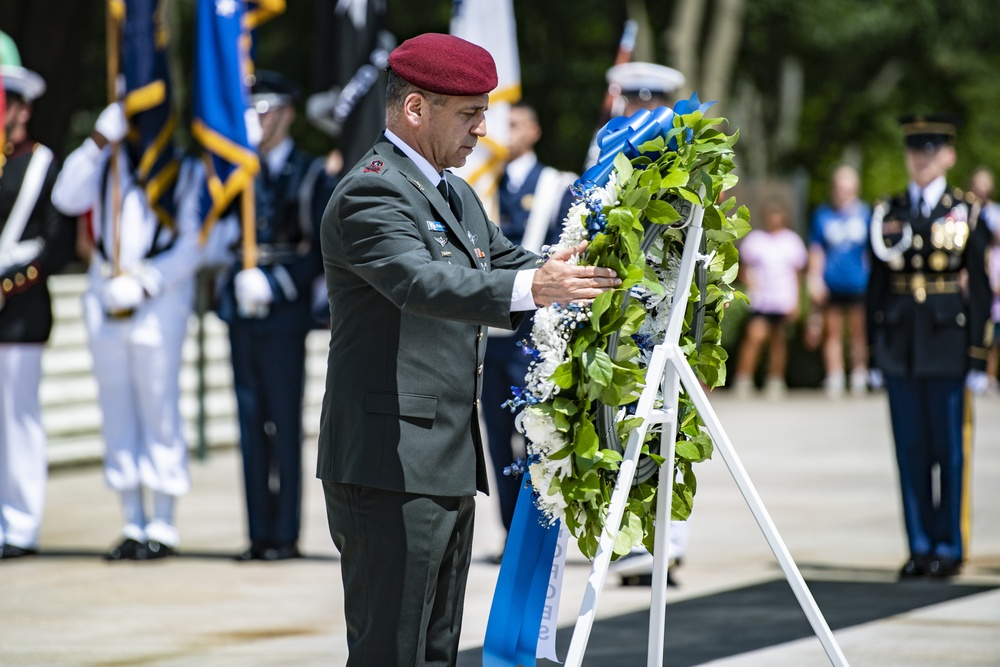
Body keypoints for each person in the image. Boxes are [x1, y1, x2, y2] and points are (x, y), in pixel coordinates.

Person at [317, 33, 620, 666]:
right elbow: (422, 283)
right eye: (470, 112)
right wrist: (536, 285)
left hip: (441, 456)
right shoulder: (372, 191)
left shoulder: (450, 190)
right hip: (389, 463)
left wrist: (571, 267)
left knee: (435, 651)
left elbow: (501, 261)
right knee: (390, 652)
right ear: (416, 109)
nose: (486, 128)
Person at [51, 100, 204, 562]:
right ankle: (132, 519)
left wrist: (145, 283)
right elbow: (64, 197)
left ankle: (163, 521)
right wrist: (97, 141)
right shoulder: (103, 165)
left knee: (158, 411)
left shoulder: (184, 171)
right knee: (116, 411)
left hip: (157, 305)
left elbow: (195, 241)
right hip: (104, 300)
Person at [215, 71, 335, 562]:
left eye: (265, 110)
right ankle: (256, 532)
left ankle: (284, 534)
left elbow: (322, 247)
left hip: (284, 310)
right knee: (248, 422)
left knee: (283, 422)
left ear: (285, 112)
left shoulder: (310, 173)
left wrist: (278, 282)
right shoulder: (236, 171)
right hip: (242, 308)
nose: (257, 121)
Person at [867, 114, 991, 579]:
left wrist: (979, 357)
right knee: (910, 450)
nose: (923, 156)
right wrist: (873, 352)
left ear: (949, 155)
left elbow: (979, 290)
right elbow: (876, 287)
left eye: (932, 148)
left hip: (947, 345)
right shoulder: (888, 211)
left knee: (949, 451)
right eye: (916, 148)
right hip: (900, 345)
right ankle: (919, 546)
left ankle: (949, 546)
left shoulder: (966, 212)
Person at [482, 101, 575, 539]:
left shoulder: (556, 186)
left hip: (535, 335)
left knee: (541, 433)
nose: (504, 132)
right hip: (491, 331)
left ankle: (539, 529)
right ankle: (509, 532)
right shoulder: (483, 185)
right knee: (498, 435)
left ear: (535, 131)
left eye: (514, 124)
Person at [0, 34, 76, 560]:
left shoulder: (43, 163)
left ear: (22, 106)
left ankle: (21, 524)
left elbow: (57, 243)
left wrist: (8, 284)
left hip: (20, 310)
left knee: (16, 418)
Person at [805, 164, 872, 397]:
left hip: (859, 282)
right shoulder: (823, 215)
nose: (842, 191)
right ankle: (835, 374)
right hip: (832, 281)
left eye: (847, 187)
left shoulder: (866, 213)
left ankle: (859, 374)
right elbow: (816, 249)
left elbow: (872, 251)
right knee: (831, 332)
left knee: (859, 332)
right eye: (839, 187)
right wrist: (814, 279)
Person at [732, 196, 808, 398]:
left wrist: (797, 301)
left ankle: (775, 379)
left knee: (779, 340)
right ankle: (744, 378)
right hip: (762, 300)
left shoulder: (792, 241)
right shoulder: (756, 240)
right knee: (755, 337)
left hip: (782, 300)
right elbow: (744, 267)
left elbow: (797, 275)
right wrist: (750, 283)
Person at [584, 61, 685, 170]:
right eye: (634, 104)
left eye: (648, 106)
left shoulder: (678, 142)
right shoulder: (609, 140)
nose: (639, 115)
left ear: (665, 106)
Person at [967, 167, 1000, 393]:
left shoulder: (995, 212)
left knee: (993, 333)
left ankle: (988, 375)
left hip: (994, 270)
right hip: (976, 276)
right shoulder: (964, 211)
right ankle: (975, 369)